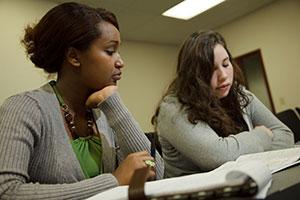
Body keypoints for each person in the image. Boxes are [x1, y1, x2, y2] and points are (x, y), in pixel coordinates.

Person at [0, 2, 164, 199]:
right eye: (110, 51)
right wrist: (113, 181)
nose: (121, 62)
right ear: (73, 57)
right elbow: (7, 191)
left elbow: (156, 174)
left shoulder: (105, 112)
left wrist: (113, 103)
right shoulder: (23, 108)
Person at [152, 30, 294, 178]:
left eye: (226, 64)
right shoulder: (172, 109)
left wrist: (240, 152)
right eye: (210, 70)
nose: (223, 76)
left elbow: (285, 135)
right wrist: (262, 135)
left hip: (243, 182)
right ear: (194, 75)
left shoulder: (239, 93)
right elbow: (219, 156)